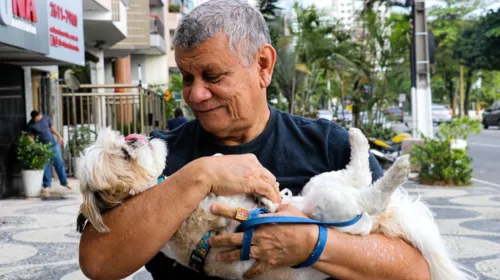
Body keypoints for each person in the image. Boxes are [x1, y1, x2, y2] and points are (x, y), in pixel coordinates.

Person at [78, 1, 430, 279]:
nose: (195, 94)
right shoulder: (153, 159)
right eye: (186, 77)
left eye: (212, 75)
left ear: (263, 65)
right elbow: (98, 263)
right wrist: (200, 176)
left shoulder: (332, 147)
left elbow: (414, 272)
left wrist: (312, 243)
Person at [27, 110, 71, 194]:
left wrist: (59, 136)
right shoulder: (31, 124)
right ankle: (47, 185)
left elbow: (51, 128)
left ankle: (65, 182)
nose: (35, 121)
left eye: (36, 119)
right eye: (34, 119)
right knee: (45, 167)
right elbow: (31, 136)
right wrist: (29, 144)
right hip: (43, 148)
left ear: (40, 115)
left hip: (53, 145)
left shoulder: (46, 118)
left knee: (59, 163)